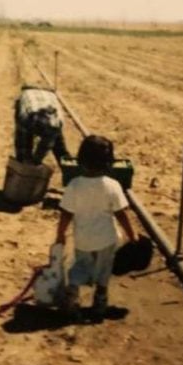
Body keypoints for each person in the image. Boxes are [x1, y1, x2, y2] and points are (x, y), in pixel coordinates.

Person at [55, 134, 138, 321]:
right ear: (109, 162)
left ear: (81, 160)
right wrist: (132, 235)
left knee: (78, 269)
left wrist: (60, 235)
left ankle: (71, 300)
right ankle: (99, 305)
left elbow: (66, 213)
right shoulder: (113, 186)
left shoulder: (74, 185)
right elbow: (121, 213)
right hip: (107, 240)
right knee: (104, 271)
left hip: (83, 239)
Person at [14, 86, 70, 165]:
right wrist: (25, 162)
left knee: (60, 150)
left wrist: (36, 161)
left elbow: (45, 146)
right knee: (24, 151)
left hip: (47, 97)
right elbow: (21, 144)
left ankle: (72, 172)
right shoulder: (25, 118)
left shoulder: (56, 123)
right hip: (28, 97)